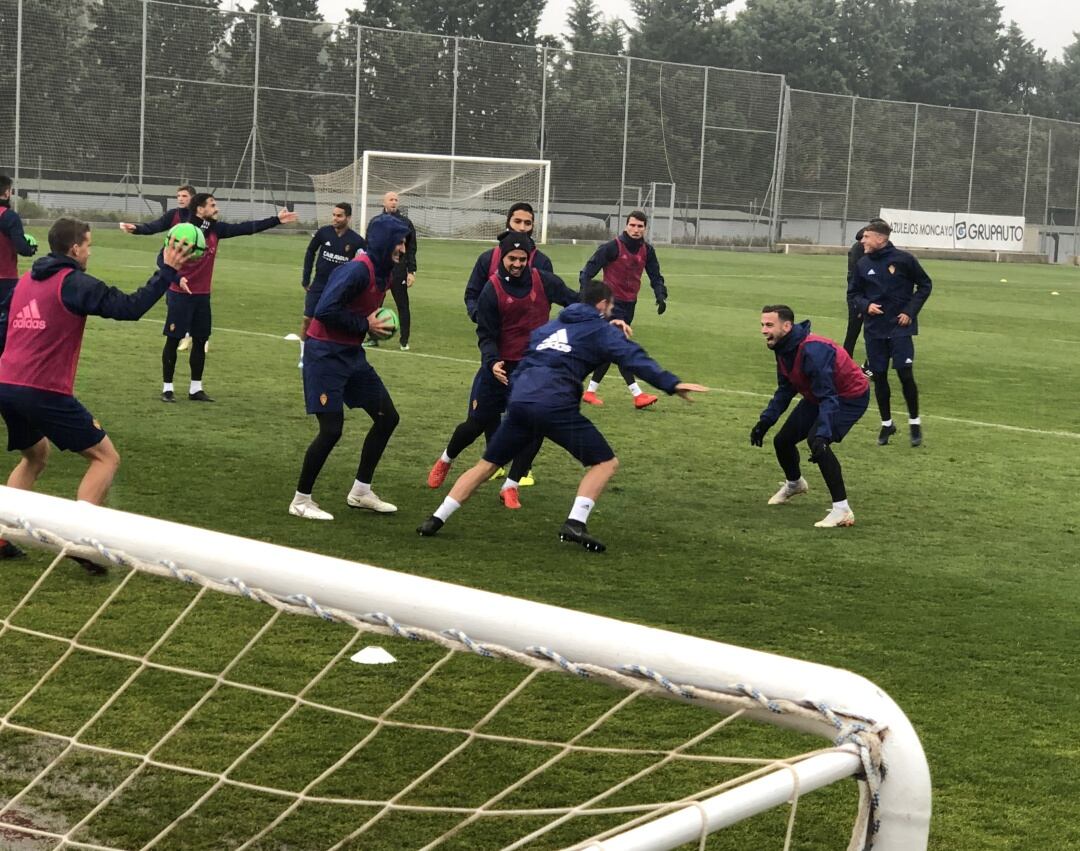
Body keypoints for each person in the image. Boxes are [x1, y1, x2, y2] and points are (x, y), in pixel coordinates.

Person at [417, 280, 707, 552]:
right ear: (603, 305)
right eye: (610, 308)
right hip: (555, 405)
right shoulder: (601, 330)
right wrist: (672, 383)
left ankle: (436, 519)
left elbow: (542, 356)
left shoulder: (548, 328)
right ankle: (575, 523)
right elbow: (632, 357)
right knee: (605, 463)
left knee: (486, 465)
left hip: (520, 401)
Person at [0, 218, 194, 571]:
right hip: (43, 390)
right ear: (75, 248)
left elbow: (4, 328)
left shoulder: (26, 280)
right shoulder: (73, 282)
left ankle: (1, 535)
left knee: (35, 456)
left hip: (7, 385)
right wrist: (166, 271)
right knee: (106, 458)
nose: (89, 251)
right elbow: (129, 308)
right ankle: (82, 541)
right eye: (88, 244)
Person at [426, 233, 578, 509]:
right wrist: (492, 361)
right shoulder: (492, 289)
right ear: (502, 257)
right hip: (499, 368)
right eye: (512, 258)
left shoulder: (544, 281)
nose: (517, 264)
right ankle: (445, 460)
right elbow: (486, 333)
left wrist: (602, 311)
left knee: (535, 427)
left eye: (522, 259)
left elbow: (574, 300)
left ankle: (511, 485)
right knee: (476, 423)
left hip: (532, 370)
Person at [288, 213, 410, 521]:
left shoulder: (385, 272)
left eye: (405, 242)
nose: (403, 249)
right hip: (325, 355)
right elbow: (324, 310)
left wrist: (367, 328)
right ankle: (301, 501)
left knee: (387, 418)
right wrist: (364, 324)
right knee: (331, 429)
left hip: (352, 355)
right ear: (384, 242)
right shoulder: (357, 270)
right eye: (399, 242)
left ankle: (361, 492)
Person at [160, 192, 298, 403]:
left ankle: (195, 389)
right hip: (180, 295)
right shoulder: (183, 231)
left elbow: (245, 228)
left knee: (200, 340)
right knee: (173, 340)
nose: (217, 208)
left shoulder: (215, 230)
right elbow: (161, 259)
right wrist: (178, 278)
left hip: (202, 296)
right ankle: (167, 388)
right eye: (212, 205)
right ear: (199, 209)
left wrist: (276, 220)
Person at [750, 305, 870, 528]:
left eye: (769, 325)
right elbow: (786, 389)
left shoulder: (813, 351)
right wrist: (765, 421)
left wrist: (824, 434)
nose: (763, 330)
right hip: (820, 395)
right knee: (782, 441)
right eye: (762, 325)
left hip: (849, 397)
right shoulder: (783, 347)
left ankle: (842, 509)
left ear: (786, 326)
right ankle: (795, 484)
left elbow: (829, 396)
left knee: (817, 442)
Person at [847, 219, 932, 447]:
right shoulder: (863, 264)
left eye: (866, 237)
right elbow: (853, 292)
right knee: (879, 376)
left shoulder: (904, 260)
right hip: (874, 330)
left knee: (905, 374)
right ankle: (887, 424)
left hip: (899, 328)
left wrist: (909, 312)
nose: (862, 241)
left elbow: (925, 285)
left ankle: (915, 422)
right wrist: (866, 306)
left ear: (880, 239)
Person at [579, 210, 668, 408]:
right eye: (633, 225)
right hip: (611, 304)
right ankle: (638, 395)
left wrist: (660, 295)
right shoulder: (611, 247)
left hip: (630, 305)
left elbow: (655, 275)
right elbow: (587, 271)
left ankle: (589, 391)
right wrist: (585, 297)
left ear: (645, 228)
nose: (636, 229)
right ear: (626, 226)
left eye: (640, 226)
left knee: (608, 349)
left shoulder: (648, 250)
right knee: (620, 347)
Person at [0, 174, 39, 560]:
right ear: (7, 191)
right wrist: (31, 244)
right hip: (4, 285)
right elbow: (23, 248)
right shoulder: (7, 215)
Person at [120, 184, 198, 351]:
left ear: (192, 198)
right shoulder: (173, 215)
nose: (180, 199)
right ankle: (183, 335)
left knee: (194, 301)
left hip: (192, 263)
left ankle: (199, 336)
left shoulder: (198, 217)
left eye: (184, 196)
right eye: (178, 196)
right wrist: (137, 229)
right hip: (172, 259)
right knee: (172, 299)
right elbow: (155, 226)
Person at [464, 202, 554, 322]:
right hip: (494, 336)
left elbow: (547, 301)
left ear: (533, 226)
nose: (522, 228)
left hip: (532, 336)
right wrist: (480, 317)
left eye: (527, 223)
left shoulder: (542, 262)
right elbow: (472, 295)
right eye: (517, 221)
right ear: (508, 223)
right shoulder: (487, 258)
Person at [299, 202, 364, 368]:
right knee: (308, 319)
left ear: (348, 218)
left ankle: (332, 356)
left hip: (338, 288)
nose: (335, 218)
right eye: (334, 215)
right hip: (319, 284)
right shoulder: (324, 233)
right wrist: (306, 278)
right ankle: (303, 356)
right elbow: (310, 252)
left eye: (339, 216)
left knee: (331, 323)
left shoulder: (356, 241)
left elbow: (363, 263)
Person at [365, 191, 416, 350]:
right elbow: (369, 245)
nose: (394, 202)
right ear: (384, 203)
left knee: (402, 304)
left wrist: (411, 271)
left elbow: (411, 248)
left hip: (399, 269)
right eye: (391, 199)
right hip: (379, 268)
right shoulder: (375, 222)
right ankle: (373, 337)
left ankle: (404, 341)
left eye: (396, 200)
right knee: (374, 303)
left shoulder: (406, 223)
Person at [843, 216, 889, 360]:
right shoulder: (858, 248)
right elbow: (854, 277)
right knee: (854, 329)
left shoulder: (886, 248)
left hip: (877, 296)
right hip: (859, 297)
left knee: (878, 332)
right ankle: (845, 361)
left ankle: (871, 365)